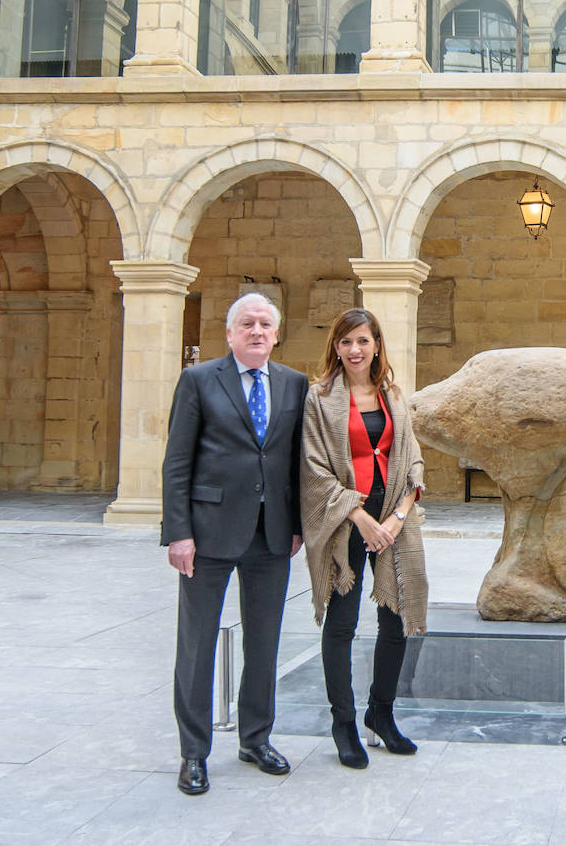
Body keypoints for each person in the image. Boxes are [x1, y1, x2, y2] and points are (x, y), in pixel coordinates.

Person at [161, 292, 308, 796]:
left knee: (264, 645)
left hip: (271, 536)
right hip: (207, 535)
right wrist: (178, 532)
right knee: (198, 644)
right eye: (247, 323)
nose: (257, 331)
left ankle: (255, 739)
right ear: (230, 333)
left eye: (266, 324)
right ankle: (194, 754)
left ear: (276, 332)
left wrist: (297, 527)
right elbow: (177, 461)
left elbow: (294, 462)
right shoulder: (199, 380)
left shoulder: (294, 384)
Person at [300, 307, 428, 770]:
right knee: (343, 622)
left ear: (376, 345)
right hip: (346, 522)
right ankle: (344, 723)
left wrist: (395, 518)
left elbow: (412, 461)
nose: (355, 350)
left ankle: (382, 714)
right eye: (346, 342)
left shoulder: (393, 395)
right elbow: (314, 469)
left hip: (392, 520)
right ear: (335, 347)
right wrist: (360, 517)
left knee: (395, 620)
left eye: (363, 341)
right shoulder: (319, 399)